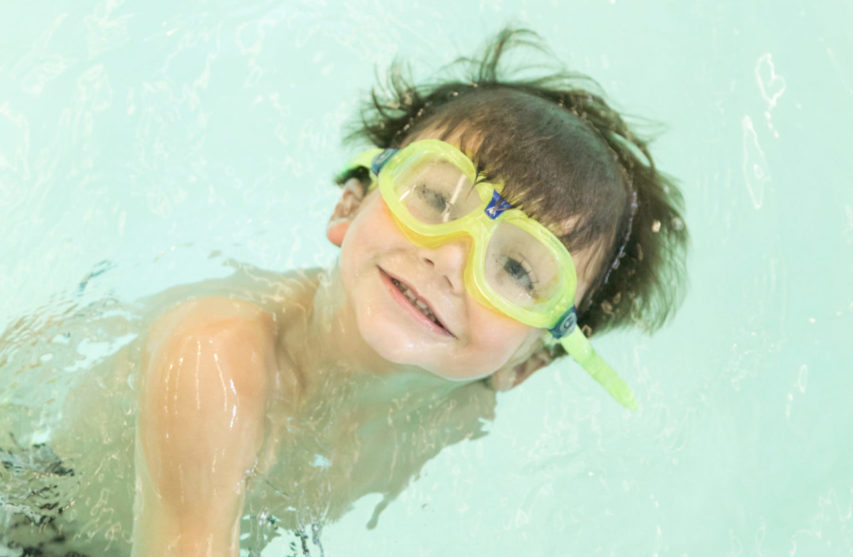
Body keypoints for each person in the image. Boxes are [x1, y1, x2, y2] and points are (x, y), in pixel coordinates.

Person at [2, 28, 688, 556]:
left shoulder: (455, 409)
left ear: (526, 363)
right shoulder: (219, 357)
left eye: (517, 269)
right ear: (348, 207)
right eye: (432, 195)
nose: (450, 260)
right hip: (33, 510)